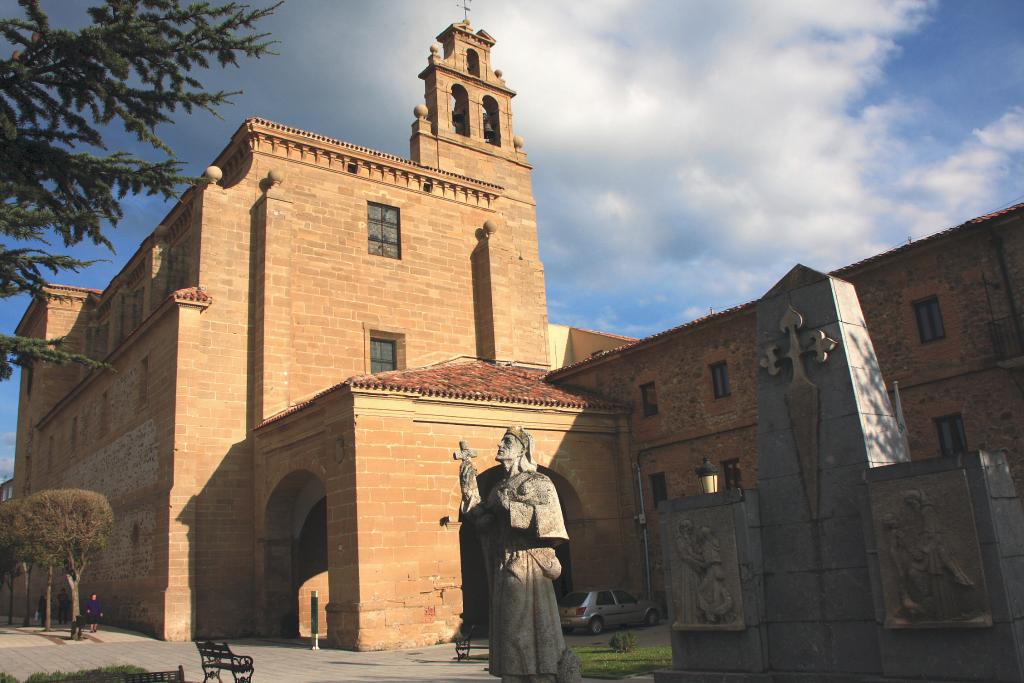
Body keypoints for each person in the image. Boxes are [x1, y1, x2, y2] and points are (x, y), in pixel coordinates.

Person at [459, 426, 580, 683]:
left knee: (518, 627)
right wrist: (470, 494)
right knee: (508, 628)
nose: (500, 445)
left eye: (507, 441)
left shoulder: (537, 482)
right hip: (504, 563)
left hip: (528, 564)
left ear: (522, 449)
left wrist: (511, 507)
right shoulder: (499, 487)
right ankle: (514, 677)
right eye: (501, 440)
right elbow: (485, 525)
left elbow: (549, 520)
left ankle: (539, 675)